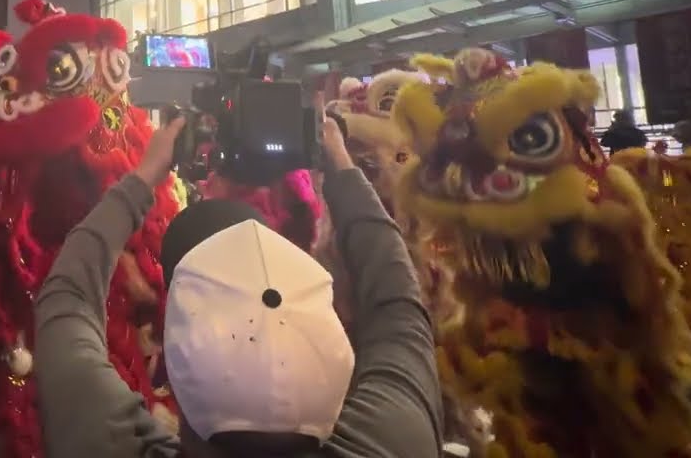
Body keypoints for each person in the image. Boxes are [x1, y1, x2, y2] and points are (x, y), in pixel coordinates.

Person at [35, 112, 441, 457]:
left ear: (176, 366)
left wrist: (144, 176)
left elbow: (68, 296)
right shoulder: (394, 440)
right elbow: (398, 305)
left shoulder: (108, 443)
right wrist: (341, 164)